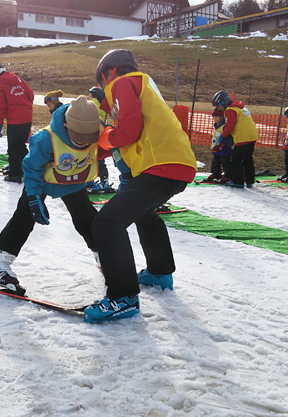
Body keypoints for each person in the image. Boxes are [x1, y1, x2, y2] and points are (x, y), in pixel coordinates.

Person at [85, 49, 197, 324]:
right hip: (175, 162)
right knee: (142, 213)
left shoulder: (123, 83)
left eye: (102, 83)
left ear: (108, 74)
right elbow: (133, 133)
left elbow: (128, 131)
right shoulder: (144, 85)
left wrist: (104, 138)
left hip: (161, 165)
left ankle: (123, 297)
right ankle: (159, 272)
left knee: (106, 223)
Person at [0, 96, 102, 294]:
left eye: (88, 137)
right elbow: (31, 168)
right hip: (42, 183)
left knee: (86, 218)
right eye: (78, 136)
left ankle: (104, 256)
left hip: (73, 182)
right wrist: (33, 198)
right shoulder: (45, 139)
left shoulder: (95, 130)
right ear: (67, 124)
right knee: (24, 217)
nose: (83, 141)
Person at [0, 61, 34, 183]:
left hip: (15, 120)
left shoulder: (0, 85)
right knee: (21, 146)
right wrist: (25, 108)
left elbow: (1, 107)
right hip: (27, 118)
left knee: (13, 148)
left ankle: (15, 175)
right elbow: (31, 95)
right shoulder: (18, 79)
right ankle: (26, 170)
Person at [211, 90, 258, 189]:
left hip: (242, 138)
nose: (218, 108)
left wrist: (223, 136)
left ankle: (238, 182)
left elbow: (229, 126)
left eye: (218, 106)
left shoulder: (230, 110)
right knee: (248, 160)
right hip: (252, 136)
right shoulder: (240, 107)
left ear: (223, 103)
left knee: (236, 161)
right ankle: (250, 181)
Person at [86, 85, 114, 194]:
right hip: (97, 136)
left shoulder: (94, 105)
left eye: (90, 96)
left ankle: (103, 182)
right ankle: (93, 180)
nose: (88, 98)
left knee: (97, 160)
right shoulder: (100, 105)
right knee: (94, 160)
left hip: (95, 137)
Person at [200, 107, 231, 184]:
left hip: (224, 149)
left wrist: (222, 145)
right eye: (213, 117)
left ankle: (227, 175)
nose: (214, 119)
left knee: (225, 162)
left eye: (216, 117)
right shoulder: (216, 125)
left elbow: (227, 136)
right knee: (215, 162)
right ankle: (216, 174)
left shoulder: (224, 126)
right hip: (216, 148)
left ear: (221, 117)